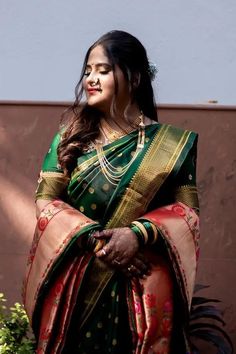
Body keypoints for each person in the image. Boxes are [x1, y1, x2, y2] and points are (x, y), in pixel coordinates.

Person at [23, 30, 200, 354]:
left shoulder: (173, 145)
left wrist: (137, 235)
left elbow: (188, 213)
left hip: (141, 292)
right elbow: (46, 201)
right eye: (88, 70)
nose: (91, 78)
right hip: (77, 289)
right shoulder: (68, 139)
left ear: (133, 78)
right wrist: (94, 239)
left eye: (103, 70)